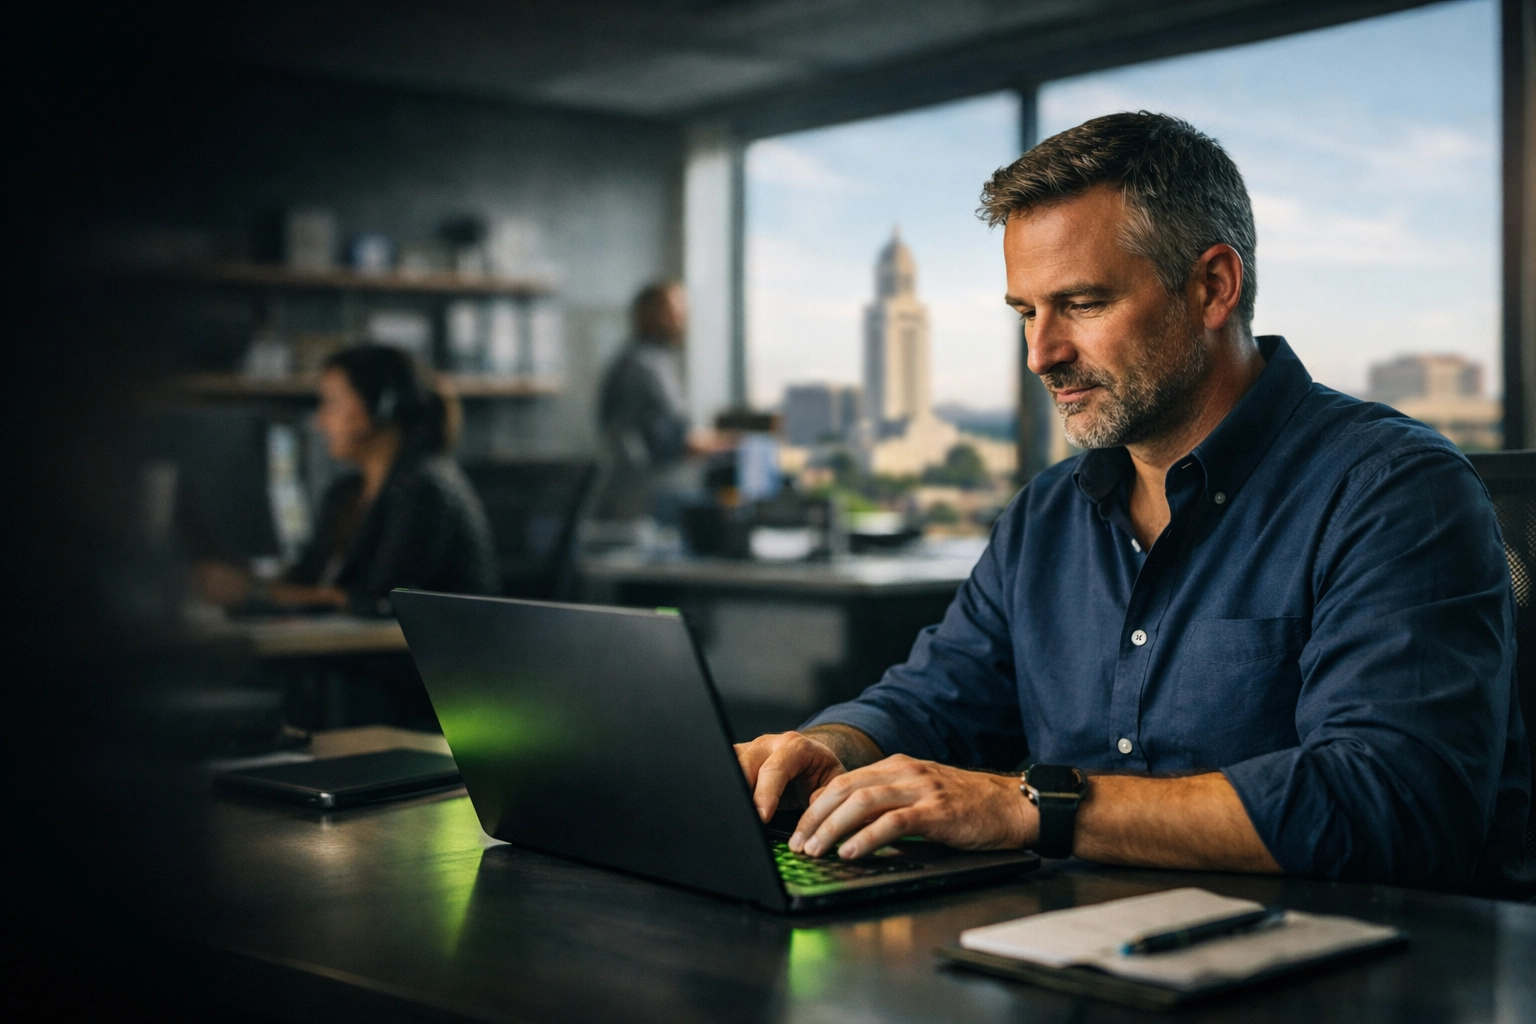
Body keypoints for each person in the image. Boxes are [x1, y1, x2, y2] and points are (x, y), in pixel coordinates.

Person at [735, 112, 1533, 895]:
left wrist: (1028, 808)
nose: (1040, 354)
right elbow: (939, 697)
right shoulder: (1047, 514)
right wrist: (833, 746)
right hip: (1079, 950)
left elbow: (1392, 804)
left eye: (1081, 304)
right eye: (1025, 312)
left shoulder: (1393, 491)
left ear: (1213, 286)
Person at [197, 344, 498, 616]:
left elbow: (381, 601)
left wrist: (257, 592)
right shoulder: (346, 493)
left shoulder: (424, 489)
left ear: (380, 406)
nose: (319, 420)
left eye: (331, 403)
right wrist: (247, 582)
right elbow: (308, 578)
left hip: (420, 669)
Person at [594, 281, 726, 522]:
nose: (682, 318)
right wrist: (736, 444)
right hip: (642, 503)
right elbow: (675, 441)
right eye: (673, 310)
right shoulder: (644, 367)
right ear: (646, 314)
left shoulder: (651, 361)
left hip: (641, 498)